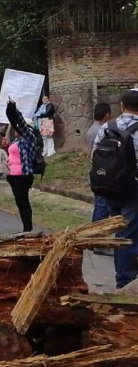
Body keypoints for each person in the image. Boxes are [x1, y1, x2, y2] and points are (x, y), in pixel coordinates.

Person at [92, 90, 138, 288]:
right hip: (134, 188)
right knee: (129, 234)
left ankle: (124, 278)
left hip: (110, 187)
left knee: (121, 231)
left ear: (121, 105)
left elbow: (95, 155)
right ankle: (127, 282)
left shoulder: (107, 127)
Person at [5, 100, 38, 232]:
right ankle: (26, 228)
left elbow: (21, 123)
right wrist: (10, 109)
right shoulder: (17, 140)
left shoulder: (29, 138)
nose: (16, 128)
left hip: (22, 175)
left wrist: (15, 109)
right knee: (20, 202)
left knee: (23, 202)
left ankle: (27, 229)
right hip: (13, 176)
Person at [86, 103, 112, 255]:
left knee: (98, 207)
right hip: (103, 172)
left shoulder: (91, 130)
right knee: (103, 207)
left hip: (94, 171)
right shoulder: (103, 131)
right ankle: (98, 242)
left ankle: (92, 239)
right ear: (107, 115)